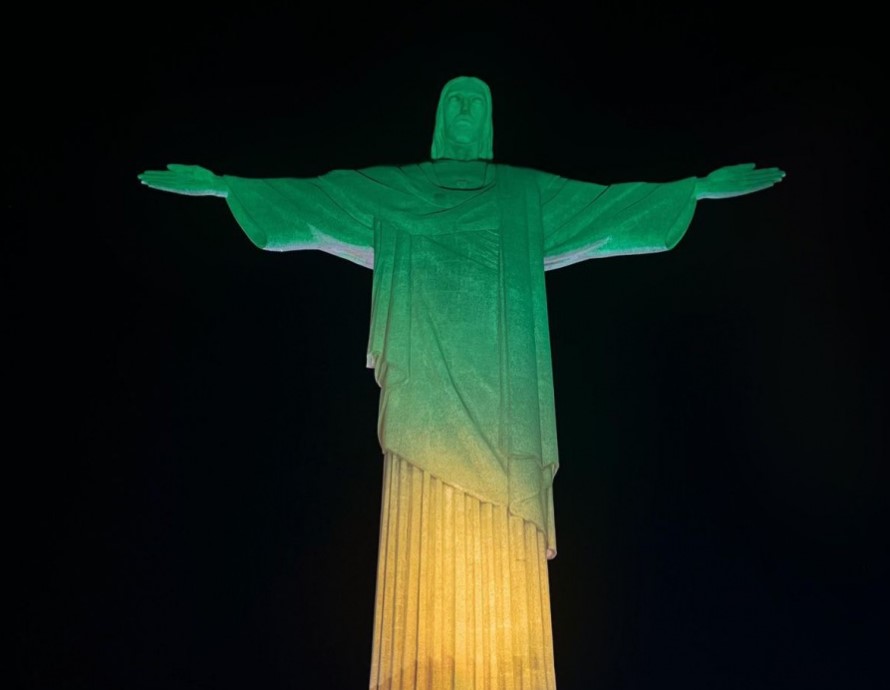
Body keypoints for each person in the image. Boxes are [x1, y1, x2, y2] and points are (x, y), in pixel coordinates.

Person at [139, 75, 784, 689]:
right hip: (424, 405)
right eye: (456, 101)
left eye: (477, 101)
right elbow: (315, 202)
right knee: (420, 553)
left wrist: (694, 191)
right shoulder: (396, 191)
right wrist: (225, 187)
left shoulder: (523, 196)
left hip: (506, 415)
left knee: (504, 576)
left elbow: (609, 206)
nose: (466, 112)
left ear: (491, 122)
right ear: (439, 120)